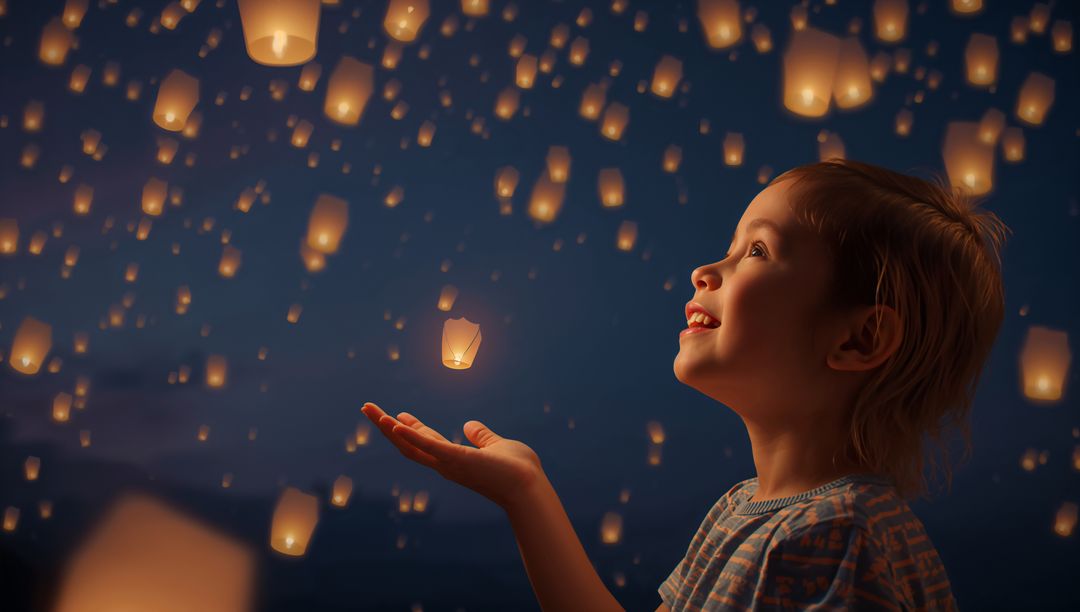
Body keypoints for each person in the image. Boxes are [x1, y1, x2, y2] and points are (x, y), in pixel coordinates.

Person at [362, 159, 1010, 611]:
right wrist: (526, 492)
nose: (705, 269)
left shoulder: (840, 541)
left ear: (859, 339)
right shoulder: (743, 512)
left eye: (756, 251)